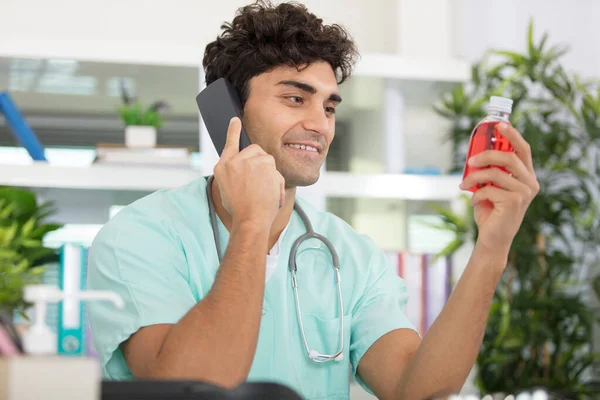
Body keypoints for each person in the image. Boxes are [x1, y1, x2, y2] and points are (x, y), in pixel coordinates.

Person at [86, 1, 540, 399]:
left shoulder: (352, 254)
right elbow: (193, 387)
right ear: (229, 112)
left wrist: (492, 248)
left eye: (328, 107)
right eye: (294, 98)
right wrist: (250, 225)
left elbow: (415, 391)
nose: (320, 124)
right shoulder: (141, 235)